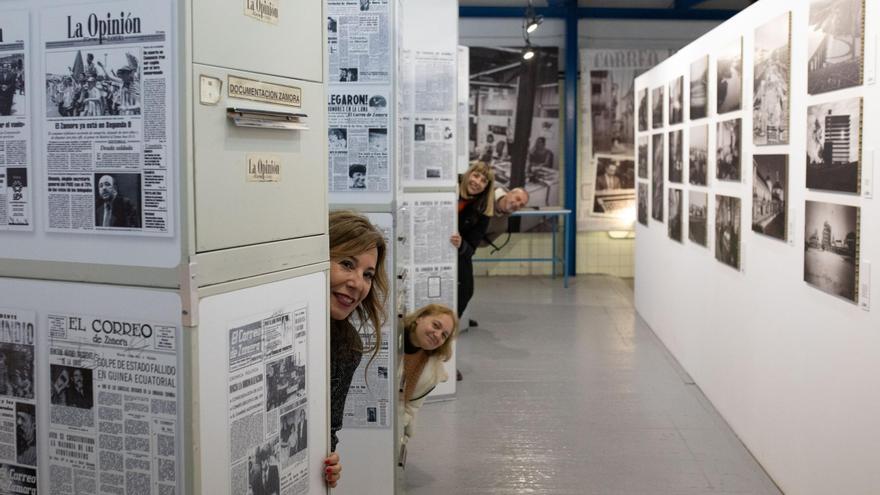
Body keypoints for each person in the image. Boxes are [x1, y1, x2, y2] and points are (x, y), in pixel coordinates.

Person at [324, 210, 389, 487]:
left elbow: (329, 429)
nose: (357, 284)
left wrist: (329, 460)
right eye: (347, 264)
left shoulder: (347, 346)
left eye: (368, 274)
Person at [401, 304, 459, 445]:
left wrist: (400, 428)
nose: (437, 335)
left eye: (444, 335)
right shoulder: (388, 337)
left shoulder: (432, 371)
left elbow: (412, 406)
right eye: (435, 325)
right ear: (419, 318)